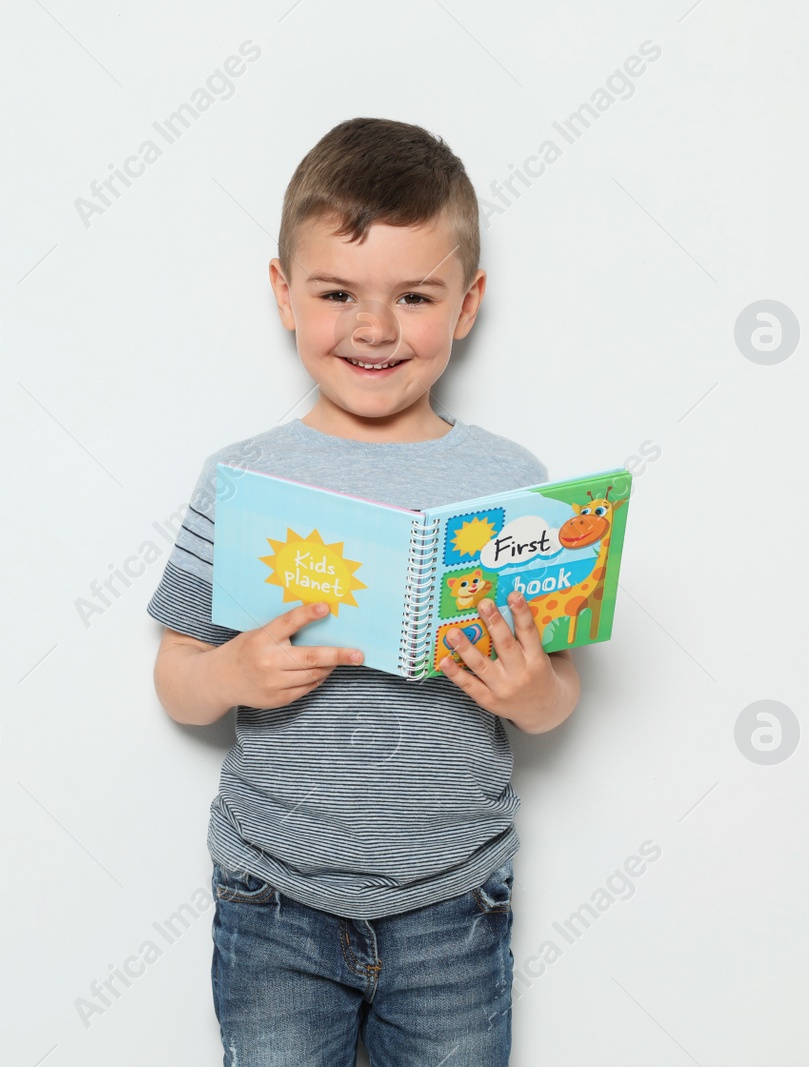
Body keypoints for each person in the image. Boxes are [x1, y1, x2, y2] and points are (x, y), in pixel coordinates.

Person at [147, 116, 581, 1067]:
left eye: (415, 296)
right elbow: (174, 675)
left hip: (453, 902)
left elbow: (558, 695)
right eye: (338, 292)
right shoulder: (244, 478)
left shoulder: (512, 485)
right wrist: (231, 673)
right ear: (284, 294)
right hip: (275, 901)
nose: (375, 328)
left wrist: (532, 694)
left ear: (467, 305)